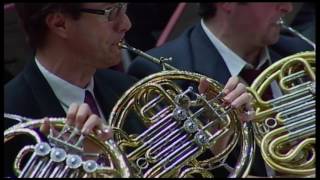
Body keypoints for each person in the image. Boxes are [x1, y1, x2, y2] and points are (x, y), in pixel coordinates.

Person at [4, 3, 253, 178]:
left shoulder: (127, 89)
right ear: (60, 23)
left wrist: (216, 145)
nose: (126, 23)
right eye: (112, 11)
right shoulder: (10, 117)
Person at [128, 2, 314, 177]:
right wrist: (216, 141)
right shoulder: (164, 75)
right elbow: (168, 170)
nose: (287, 7)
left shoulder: (299, 54)